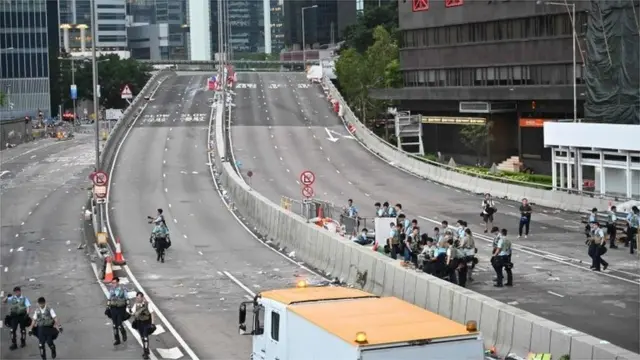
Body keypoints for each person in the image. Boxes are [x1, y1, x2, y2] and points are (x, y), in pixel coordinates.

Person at [130, 292, 155, 360]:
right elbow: (132, 312)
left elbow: (152, 313)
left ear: (142, 297)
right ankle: (146, 349)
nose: (137, 299)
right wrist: (130, 312)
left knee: (145, 337)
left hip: (146, 323)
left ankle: (146, 353)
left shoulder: (147, 304)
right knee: (142, 337)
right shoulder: (136, 305)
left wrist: (152, 323)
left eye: (139, 298)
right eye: (137, 298)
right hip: (139, 323)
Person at [108, 277, 129, 345]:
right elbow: (109, 298)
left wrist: (129, 306)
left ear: (118, 282)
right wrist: (108, 306)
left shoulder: (123, 289)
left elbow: (127, 298)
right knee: (114, 325)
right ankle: (117, 339)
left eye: (114, 283)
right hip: (113, 308)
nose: (113, 284)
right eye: (112, 283)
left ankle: (123, 333)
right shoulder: (111, 290)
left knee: (119, 324)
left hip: (120, 309)